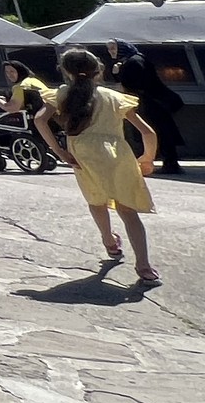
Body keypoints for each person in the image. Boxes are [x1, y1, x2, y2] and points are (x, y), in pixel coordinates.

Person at [35, 46, 161, 284]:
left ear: (65, 71)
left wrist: (59, 151)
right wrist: (147, 159)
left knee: (96, 201)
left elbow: (40, 120)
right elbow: (148, 132)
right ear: (98, 70)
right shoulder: (113, 97)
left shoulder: (61, 94)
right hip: (118, 155)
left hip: (84, 156)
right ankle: (144, 266)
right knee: (128, 211)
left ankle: (109, 241)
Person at [110, 41, 186, 177]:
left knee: (159, 132)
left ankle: (167, 163)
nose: (111, 52)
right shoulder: (134, 59)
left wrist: (118, 73)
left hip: (152, 102)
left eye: (113, 48)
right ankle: (167, 162)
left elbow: (133, 83)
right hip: (153, 101)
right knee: (160, 132)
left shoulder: (134, 62)